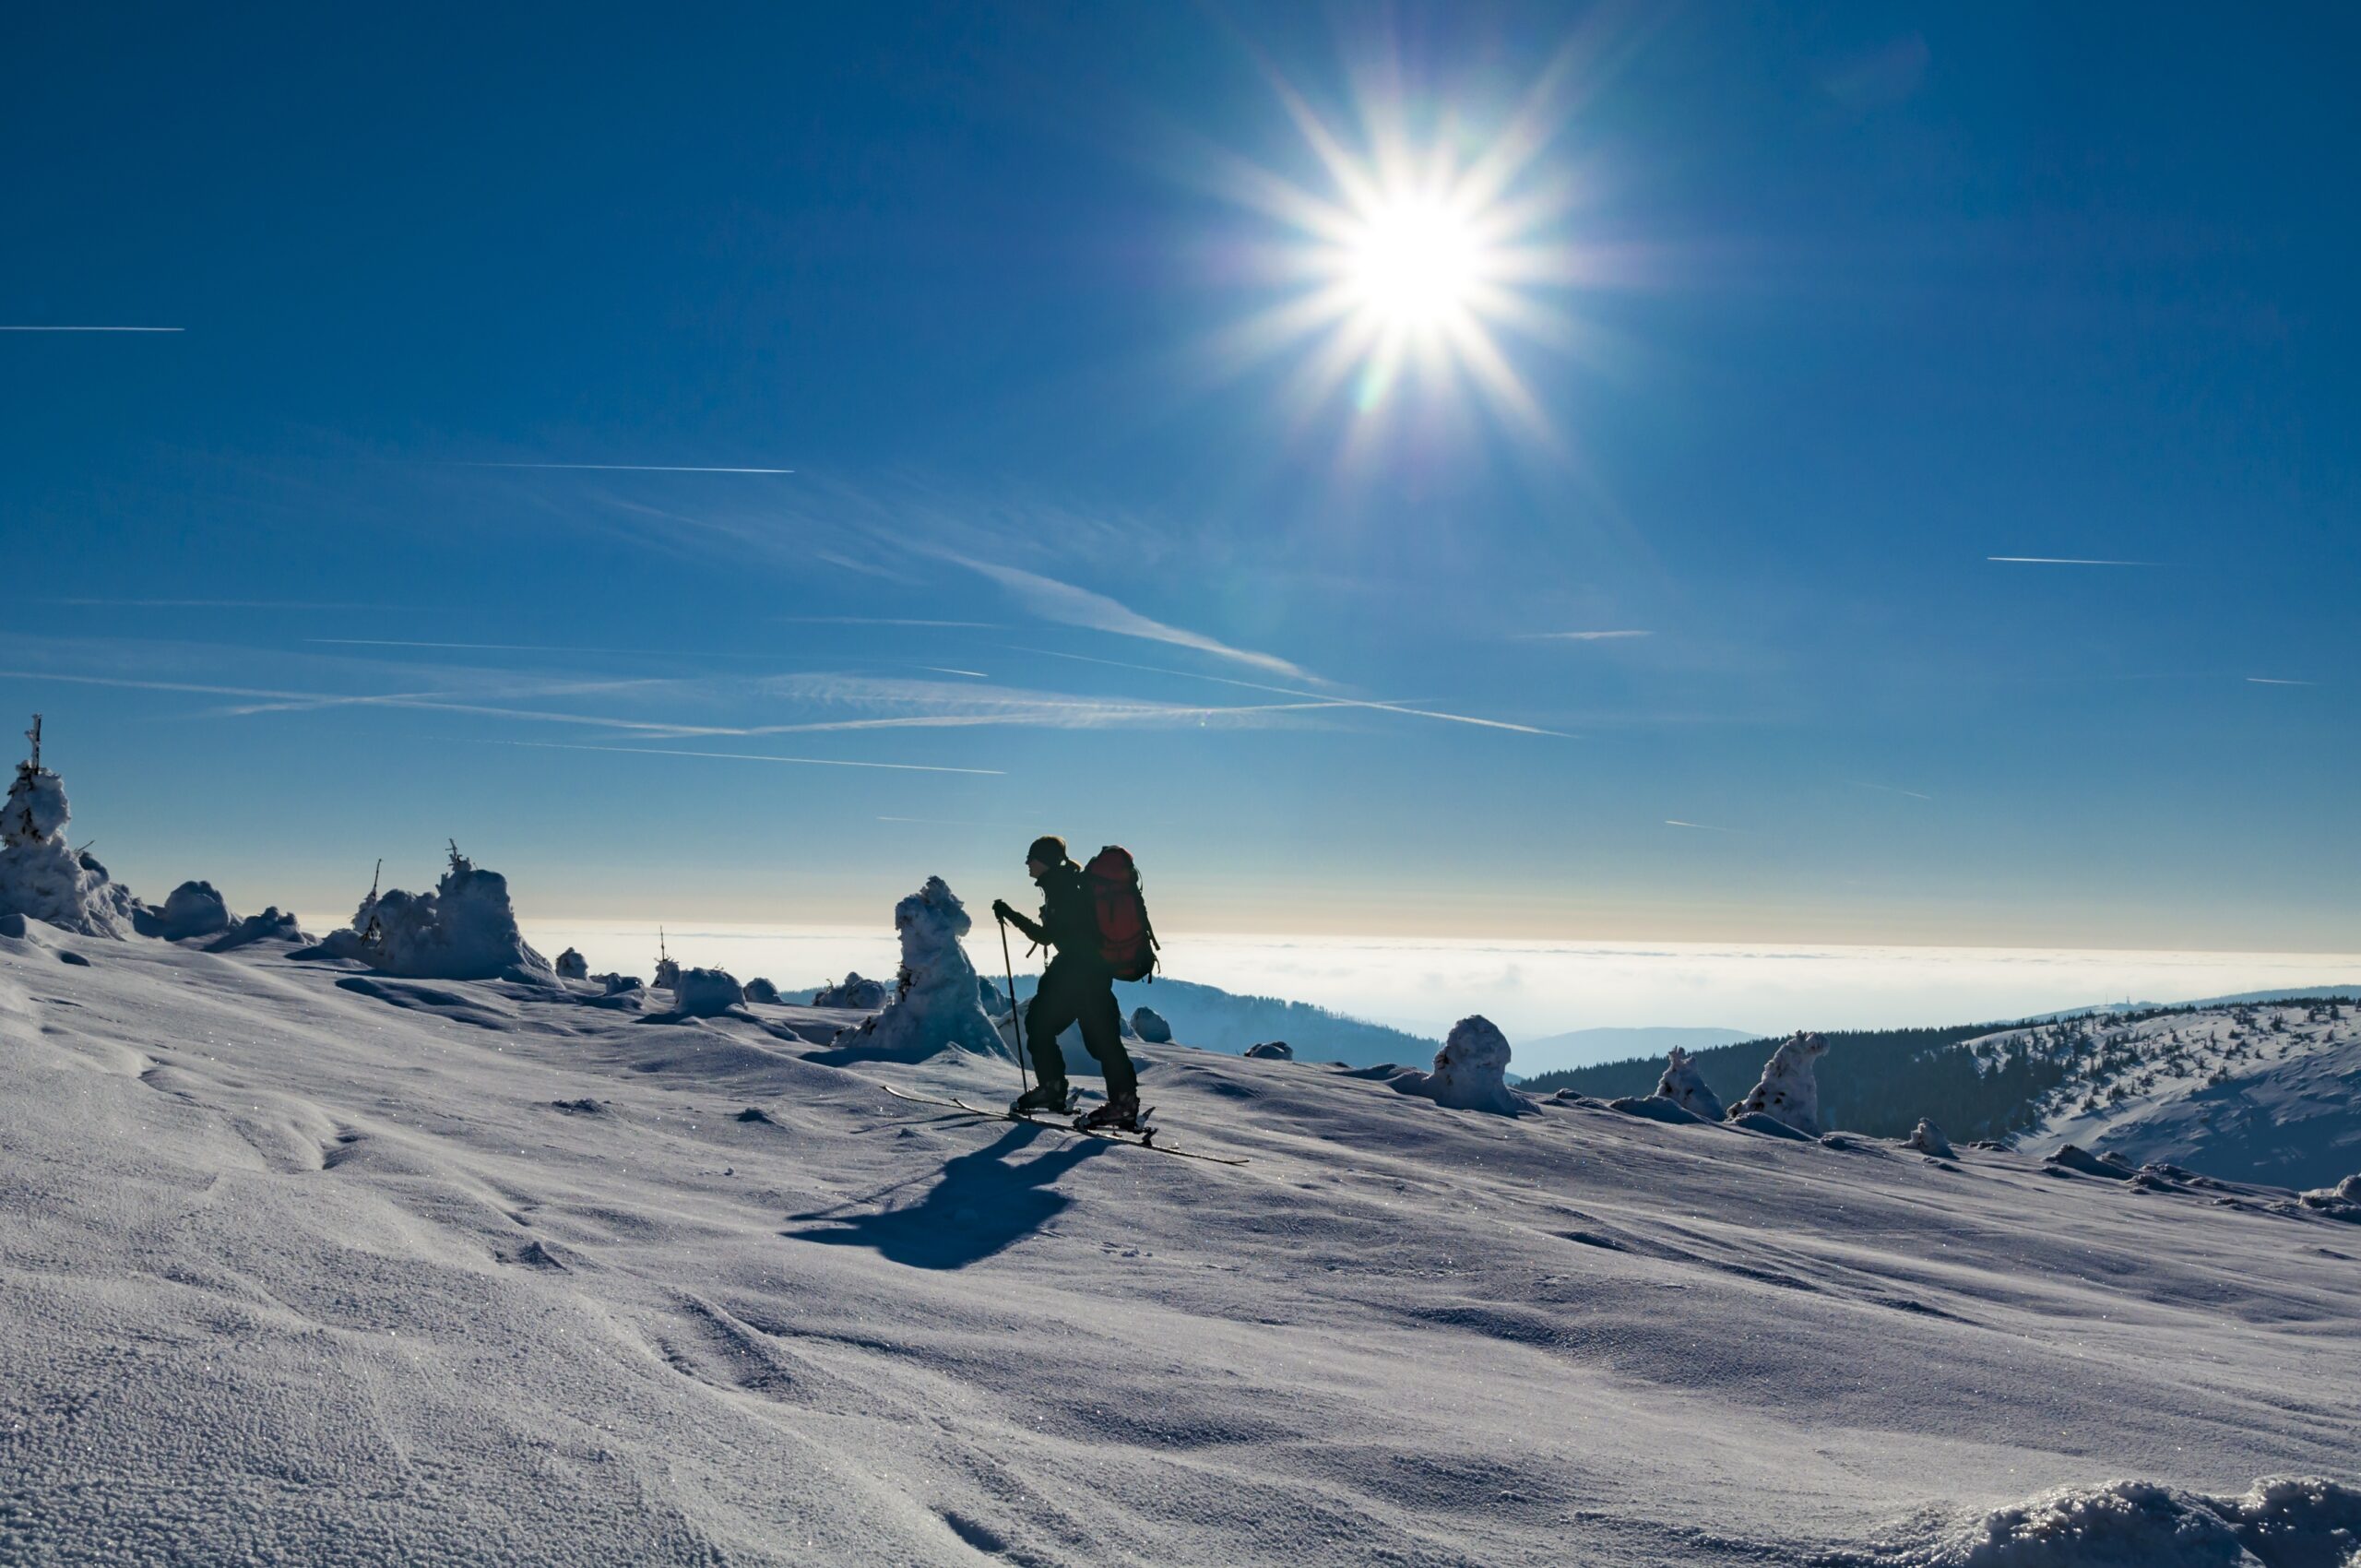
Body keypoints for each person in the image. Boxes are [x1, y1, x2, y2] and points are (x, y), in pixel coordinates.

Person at [992, 834, 1141, 1129]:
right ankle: (1065, 1091)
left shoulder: (1063, 888)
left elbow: (1048, 936)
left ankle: (1067, 1092)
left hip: (1079, 974)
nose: (1026, 863)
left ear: (1044, 861)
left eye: (1031, 857)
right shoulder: (1065, 883)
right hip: (1085, 972)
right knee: (1068, 1031)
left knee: (1086, 1036)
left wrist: (1010, 914)